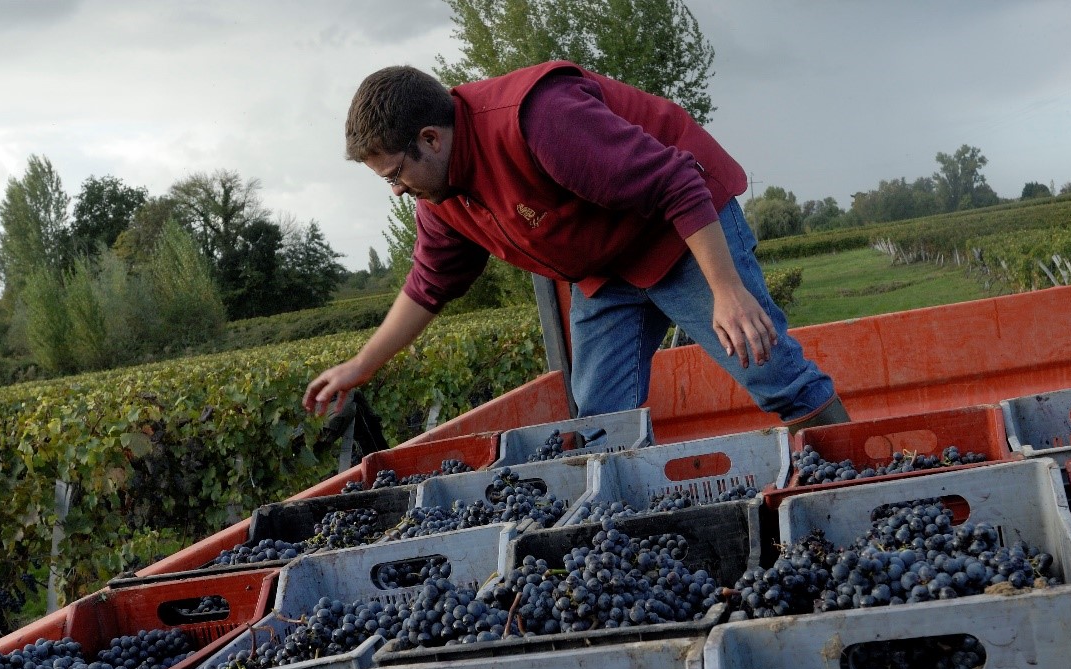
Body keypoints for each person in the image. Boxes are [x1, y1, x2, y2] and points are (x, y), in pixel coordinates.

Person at [303, 62, 846, 431]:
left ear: (430, 138)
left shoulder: (538, 119)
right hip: (605, 272)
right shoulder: (441, 199)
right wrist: (362, 365)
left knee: (767, 370)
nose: (397, 190)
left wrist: (726, 291)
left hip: (679, 234)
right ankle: (633, 554)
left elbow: (679, 184)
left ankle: (855, 490)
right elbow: (429, 285)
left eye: (396, 174)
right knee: (603, 426)